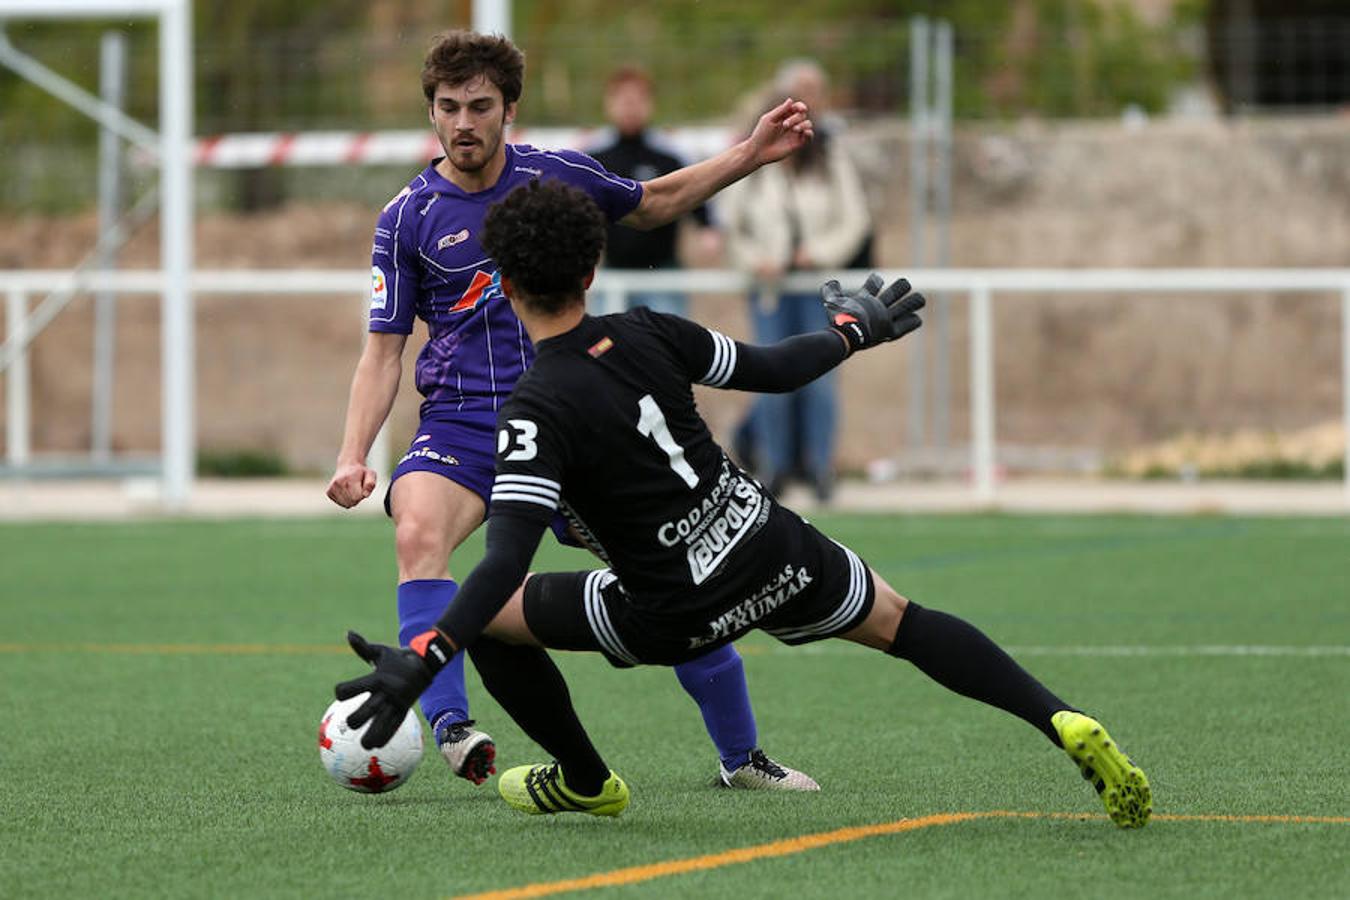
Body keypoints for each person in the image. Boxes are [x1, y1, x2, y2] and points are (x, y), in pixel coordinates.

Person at [334, 180, 1153, 830]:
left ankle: (586, 782)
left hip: (677, 610)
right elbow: (776, 367)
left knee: (497, 621)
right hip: (770, 548)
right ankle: (1062, 720)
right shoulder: (652, 328)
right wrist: (852, 332)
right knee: (906, 622)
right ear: (591, 271)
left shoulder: (534, 406)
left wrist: (429, 655)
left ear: (504, 283)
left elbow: (504, 558)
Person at [325, 30, 820, 792]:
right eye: (449, 106)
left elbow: (653, 206)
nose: (464, 121)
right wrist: (353, 453)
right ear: (431, 113)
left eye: (480, 106)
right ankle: (452, 726)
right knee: (418, 529)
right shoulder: (404, 218)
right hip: (462, 420)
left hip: (569, 416)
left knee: (668, 582)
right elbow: (383, 350)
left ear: (509, 110)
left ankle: (741, 757)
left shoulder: (555, 177)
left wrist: (748, 155)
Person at [721, 60, 872, 502]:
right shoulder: (755, 149)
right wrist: (758, 260)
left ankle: (819, 465)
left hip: (817, 286)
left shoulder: (831, 153)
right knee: (769, 372)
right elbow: (735, 223)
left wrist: (819, 254)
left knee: (821, 376)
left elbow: (854, 219)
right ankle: (774, 465)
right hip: (770, 288)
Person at [587, 65, 721, 316]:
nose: (630, 107)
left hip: (664, 275)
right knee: (606, 349)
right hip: (613, 275)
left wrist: (708, 228)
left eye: (637, 100)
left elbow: (694, 190)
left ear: (650, 104)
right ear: (609, 104)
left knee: (666, 349)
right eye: (623, 100)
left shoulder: (669, 155)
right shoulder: (594, 157)